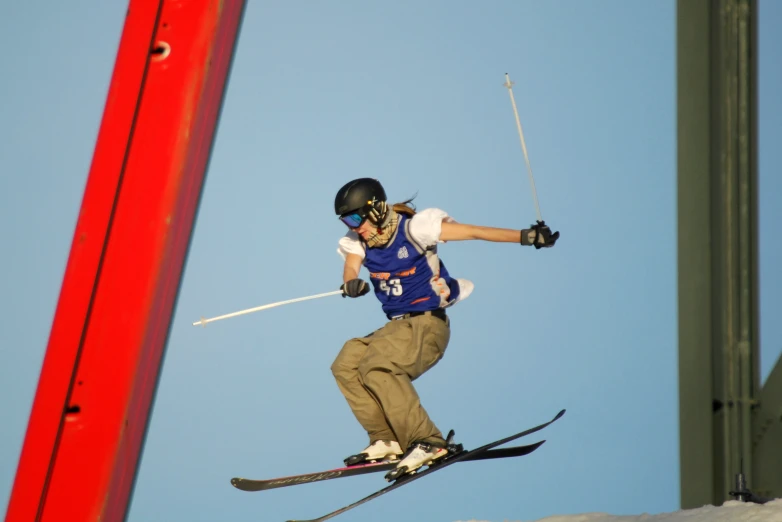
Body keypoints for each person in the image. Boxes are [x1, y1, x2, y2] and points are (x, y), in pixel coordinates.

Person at [331, 178, 558, 481]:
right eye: (347, 220)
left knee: (378, 367)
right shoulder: (358, 241)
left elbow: (473, 231)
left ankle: (429, 442)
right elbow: (351, 266)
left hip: (428, 324)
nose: (353, 225)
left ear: (376, 208)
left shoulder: (414, 229)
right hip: (398, 327)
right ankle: (386, 439)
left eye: (356, 217)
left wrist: (526, 236)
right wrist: (351, 282)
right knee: (347, 361)